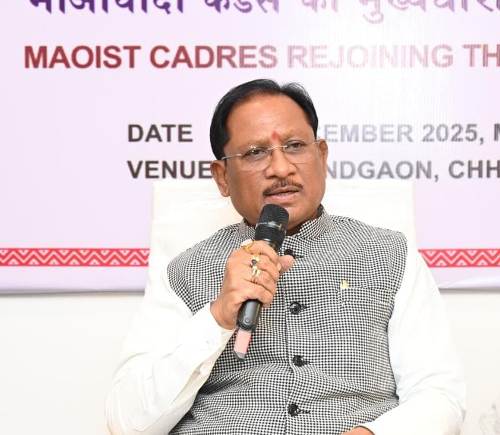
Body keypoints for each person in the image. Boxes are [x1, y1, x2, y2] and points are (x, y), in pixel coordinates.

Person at [106, 79, 466, 435]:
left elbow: (438, 395)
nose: (280, 168)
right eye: (255, 152)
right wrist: (217, 317)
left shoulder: (390, 255)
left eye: (294, 146)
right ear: (222, 177)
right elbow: (127, 423)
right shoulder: (184, 272)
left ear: (321, 156)